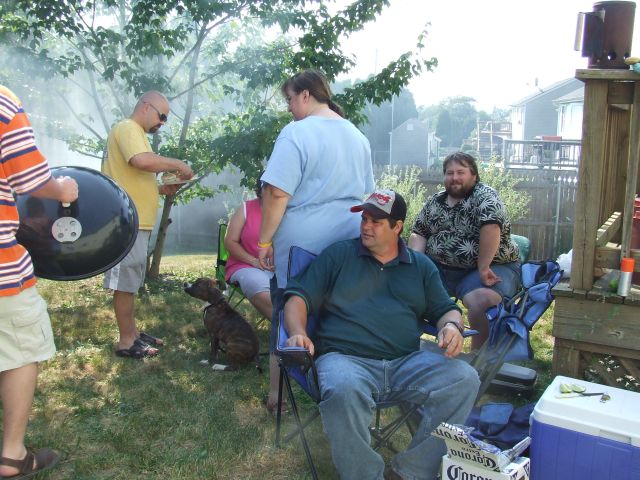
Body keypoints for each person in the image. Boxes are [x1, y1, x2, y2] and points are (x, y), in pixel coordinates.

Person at [283, 190, 480, 480]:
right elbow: (297, 299)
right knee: (342, 388)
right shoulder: (339, 255)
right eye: (364, 219)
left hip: (405, 362)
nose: (366, 226)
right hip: (345, 360)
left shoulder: (420, 267)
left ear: (397, 226)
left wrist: (451, 326)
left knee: (465, 379)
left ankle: (410, 472)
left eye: (376, 221)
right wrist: (298, 333)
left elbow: (446, 310)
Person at [257, 69, 375, 381]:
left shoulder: (296, 133)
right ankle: (337, 382)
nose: (289, 107)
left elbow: (276, 192)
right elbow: (365, 192)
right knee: (336, 316)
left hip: (302, 245)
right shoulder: (358, 136)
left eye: (290, 99)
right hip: (348, 242)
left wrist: (264, 241)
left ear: (306, 95)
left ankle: (278, 394)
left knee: (287, 312)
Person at [0, 85, 79, 478]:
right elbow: (30, 178)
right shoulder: (3, 103)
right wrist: (62, 188)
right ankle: (12, 456)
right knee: (19, 351)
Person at [102, 91, 193, 359]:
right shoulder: (128, 127)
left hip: (136, 221)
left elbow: (135, 178)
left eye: (165, 119)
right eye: (161, 116)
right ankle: (126, 341)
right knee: (125, 282)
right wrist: (177, 163)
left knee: (131, 281)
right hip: (125, 221)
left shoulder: (136, 134)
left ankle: (132, 332)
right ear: (145, 106)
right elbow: (140, 161)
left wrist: (162, 189)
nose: (162, 123)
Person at [409, 151, 521, 350]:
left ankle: (478, 356)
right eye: (450, 173)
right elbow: (419, 233)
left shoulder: (485, 196)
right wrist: (414, 266)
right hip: (441, 269)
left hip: (489, 267)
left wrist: (483, 267)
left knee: (481, 301)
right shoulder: (435, 201)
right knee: (406, 289)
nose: (455, 177)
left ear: (474, 175)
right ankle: (407, 345)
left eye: (461, 172)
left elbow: (491, 228)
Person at [223, 180, 279, 413]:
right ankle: (288, 334)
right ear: (262, 189)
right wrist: (254, 261)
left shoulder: (288, 210)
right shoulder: (247, 208)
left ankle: (290, 332)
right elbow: (229, 242)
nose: (278, 192)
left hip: (280, 269)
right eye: (272, 188)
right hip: (246, 265)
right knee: (267, 295)